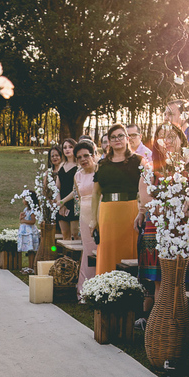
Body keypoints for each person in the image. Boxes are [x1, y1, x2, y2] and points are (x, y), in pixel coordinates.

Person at [88, 123, 150, 275]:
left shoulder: (139, 161)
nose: (117, 139)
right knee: (108, 252)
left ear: (127, 138)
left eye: (120, 136)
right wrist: (93, 220)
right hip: (107, 214)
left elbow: (146, 189)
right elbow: (95, 194)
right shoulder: (102, 164)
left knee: (129, 251)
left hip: (131, 212)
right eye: (113, 137)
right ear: (109, 141)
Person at [73, 139, 99, 290]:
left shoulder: (100, 172)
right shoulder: (78, 176)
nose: (83, 159)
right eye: (79, 157)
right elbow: (79, 197)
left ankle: (99, 284)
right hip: (84, 216)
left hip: (99, 214)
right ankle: (85, 288)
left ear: (93, 155)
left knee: (98, 250)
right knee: (88, 250)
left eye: (86, 155)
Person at [56, 138, 79, 240]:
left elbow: (77, 189)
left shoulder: (79, 166)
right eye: (65, 147)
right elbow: (57, 187)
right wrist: (60, 203)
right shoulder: (62, 165)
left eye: (70, 147)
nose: (67, 149)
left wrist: (63, 201)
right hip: (61, 204)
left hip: (74, 203)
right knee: (65, 234)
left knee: (75, 234)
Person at [18, 203, 39, 271]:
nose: (23, 201)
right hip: (25, 231)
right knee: (28, 250)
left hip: (30, 232)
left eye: (24, 199)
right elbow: (22, 220)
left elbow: (33, 221)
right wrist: (21, 217)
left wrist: (24, 221)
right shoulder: (26, 209)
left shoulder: (32, 211)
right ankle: (29, 266)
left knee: (31, 250)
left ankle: (31, 267)